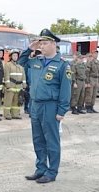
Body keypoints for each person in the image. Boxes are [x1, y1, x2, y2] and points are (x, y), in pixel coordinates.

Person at [18, 29, 71, 183]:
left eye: (45, 42)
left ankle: (52, 172)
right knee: (38, 140)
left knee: (51, 141)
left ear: (54, 44)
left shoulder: (62, 65)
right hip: (35, 105)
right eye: (40, 42)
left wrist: (62, 110)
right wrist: (30, 48)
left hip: (50, 106)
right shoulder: (36, 61)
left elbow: (65, 90)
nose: (42, 45)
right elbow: (21, 61)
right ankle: (41, 169)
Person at [3, 49, 26, 120]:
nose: (15, 57)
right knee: (8, 101)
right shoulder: (8, 65)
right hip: (11, 86)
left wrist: (24, 85)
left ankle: (15, 114)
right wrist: (7, 85)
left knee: (16, 102)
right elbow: (6, 76)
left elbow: (23, 77)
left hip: (19, 87)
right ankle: (7, 114)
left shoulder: (20, 67)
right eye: (14, 55)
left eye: (16, 55)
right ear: (11, 56)